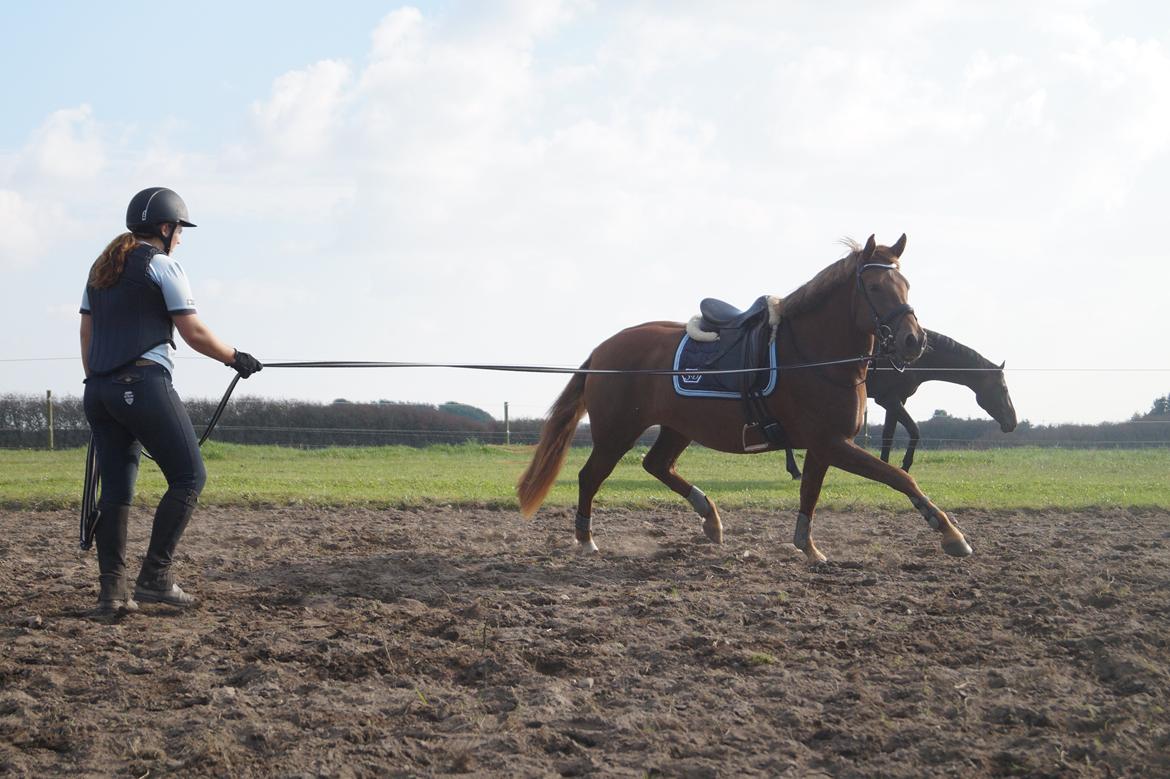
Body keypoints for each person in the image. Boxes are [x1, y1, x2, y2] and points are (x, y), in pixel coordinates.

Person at [79, 187, 262, 615]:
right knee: (188, 476)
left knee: (116, 493)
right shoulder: (163, 265)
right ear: (165, 228)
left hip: (99, 392)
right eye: (179, 230)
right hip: (143, 385)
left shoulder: (99, 271)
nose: (180, 238)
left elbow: (86, 334)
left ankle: (112, 595)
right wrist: (236, 358)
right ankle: (155, 577)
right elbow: (193, 332)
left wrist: (98, 382)